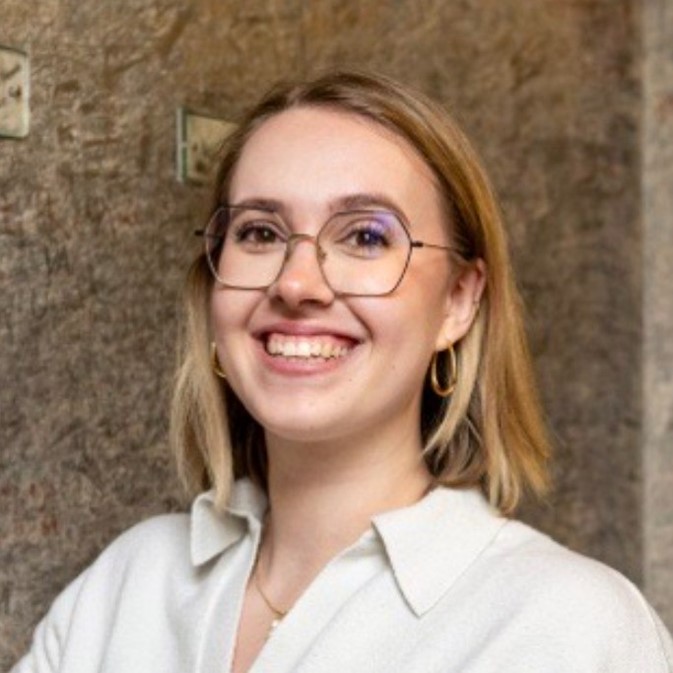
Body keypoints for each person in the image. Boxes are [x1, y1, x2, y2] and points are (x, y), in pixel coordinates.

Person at [12, 69, 673, 673]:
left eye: (365, 236)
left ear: (457, 301)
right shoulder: (128, 585)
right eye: (260, 232)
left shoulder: (568, 625)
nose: (297, 283)